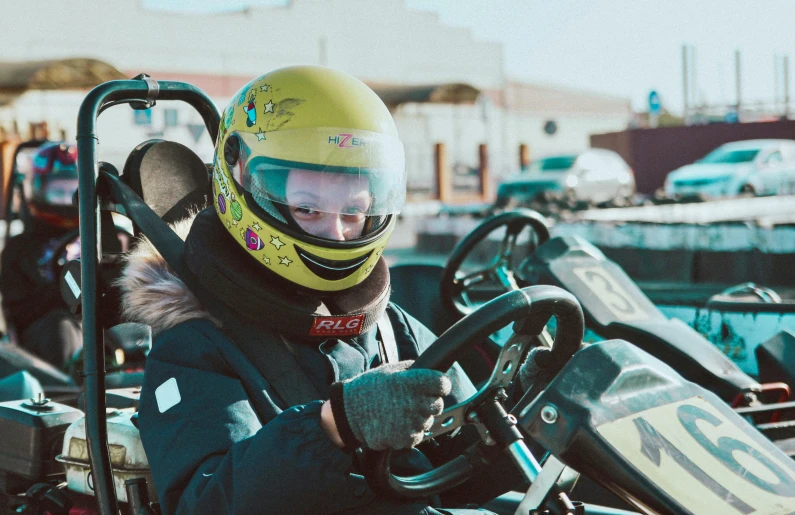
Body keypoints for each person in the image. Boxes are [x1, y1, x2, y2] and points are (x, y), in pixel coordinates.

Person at [122, 66, 527, 515]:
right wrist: (334, 426)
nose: (336, 235)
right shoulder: (194, 344)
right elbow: (208, 503)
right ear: (242, 182)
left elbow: (461, 469)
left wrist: (530, 408)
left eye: (353, 211)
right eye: (308, 208)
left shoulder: (390, 327)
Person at [0, 141, 82, 368]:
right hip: (46, 349)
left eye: (73, 191)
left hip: (99, 333)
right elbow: (19, 312)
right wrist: (64, 292)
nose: (67, 199)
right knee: (60, 327)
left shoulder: (107, 238)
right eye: (58, 191)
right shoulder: (20, 250)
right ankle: (72, 394)